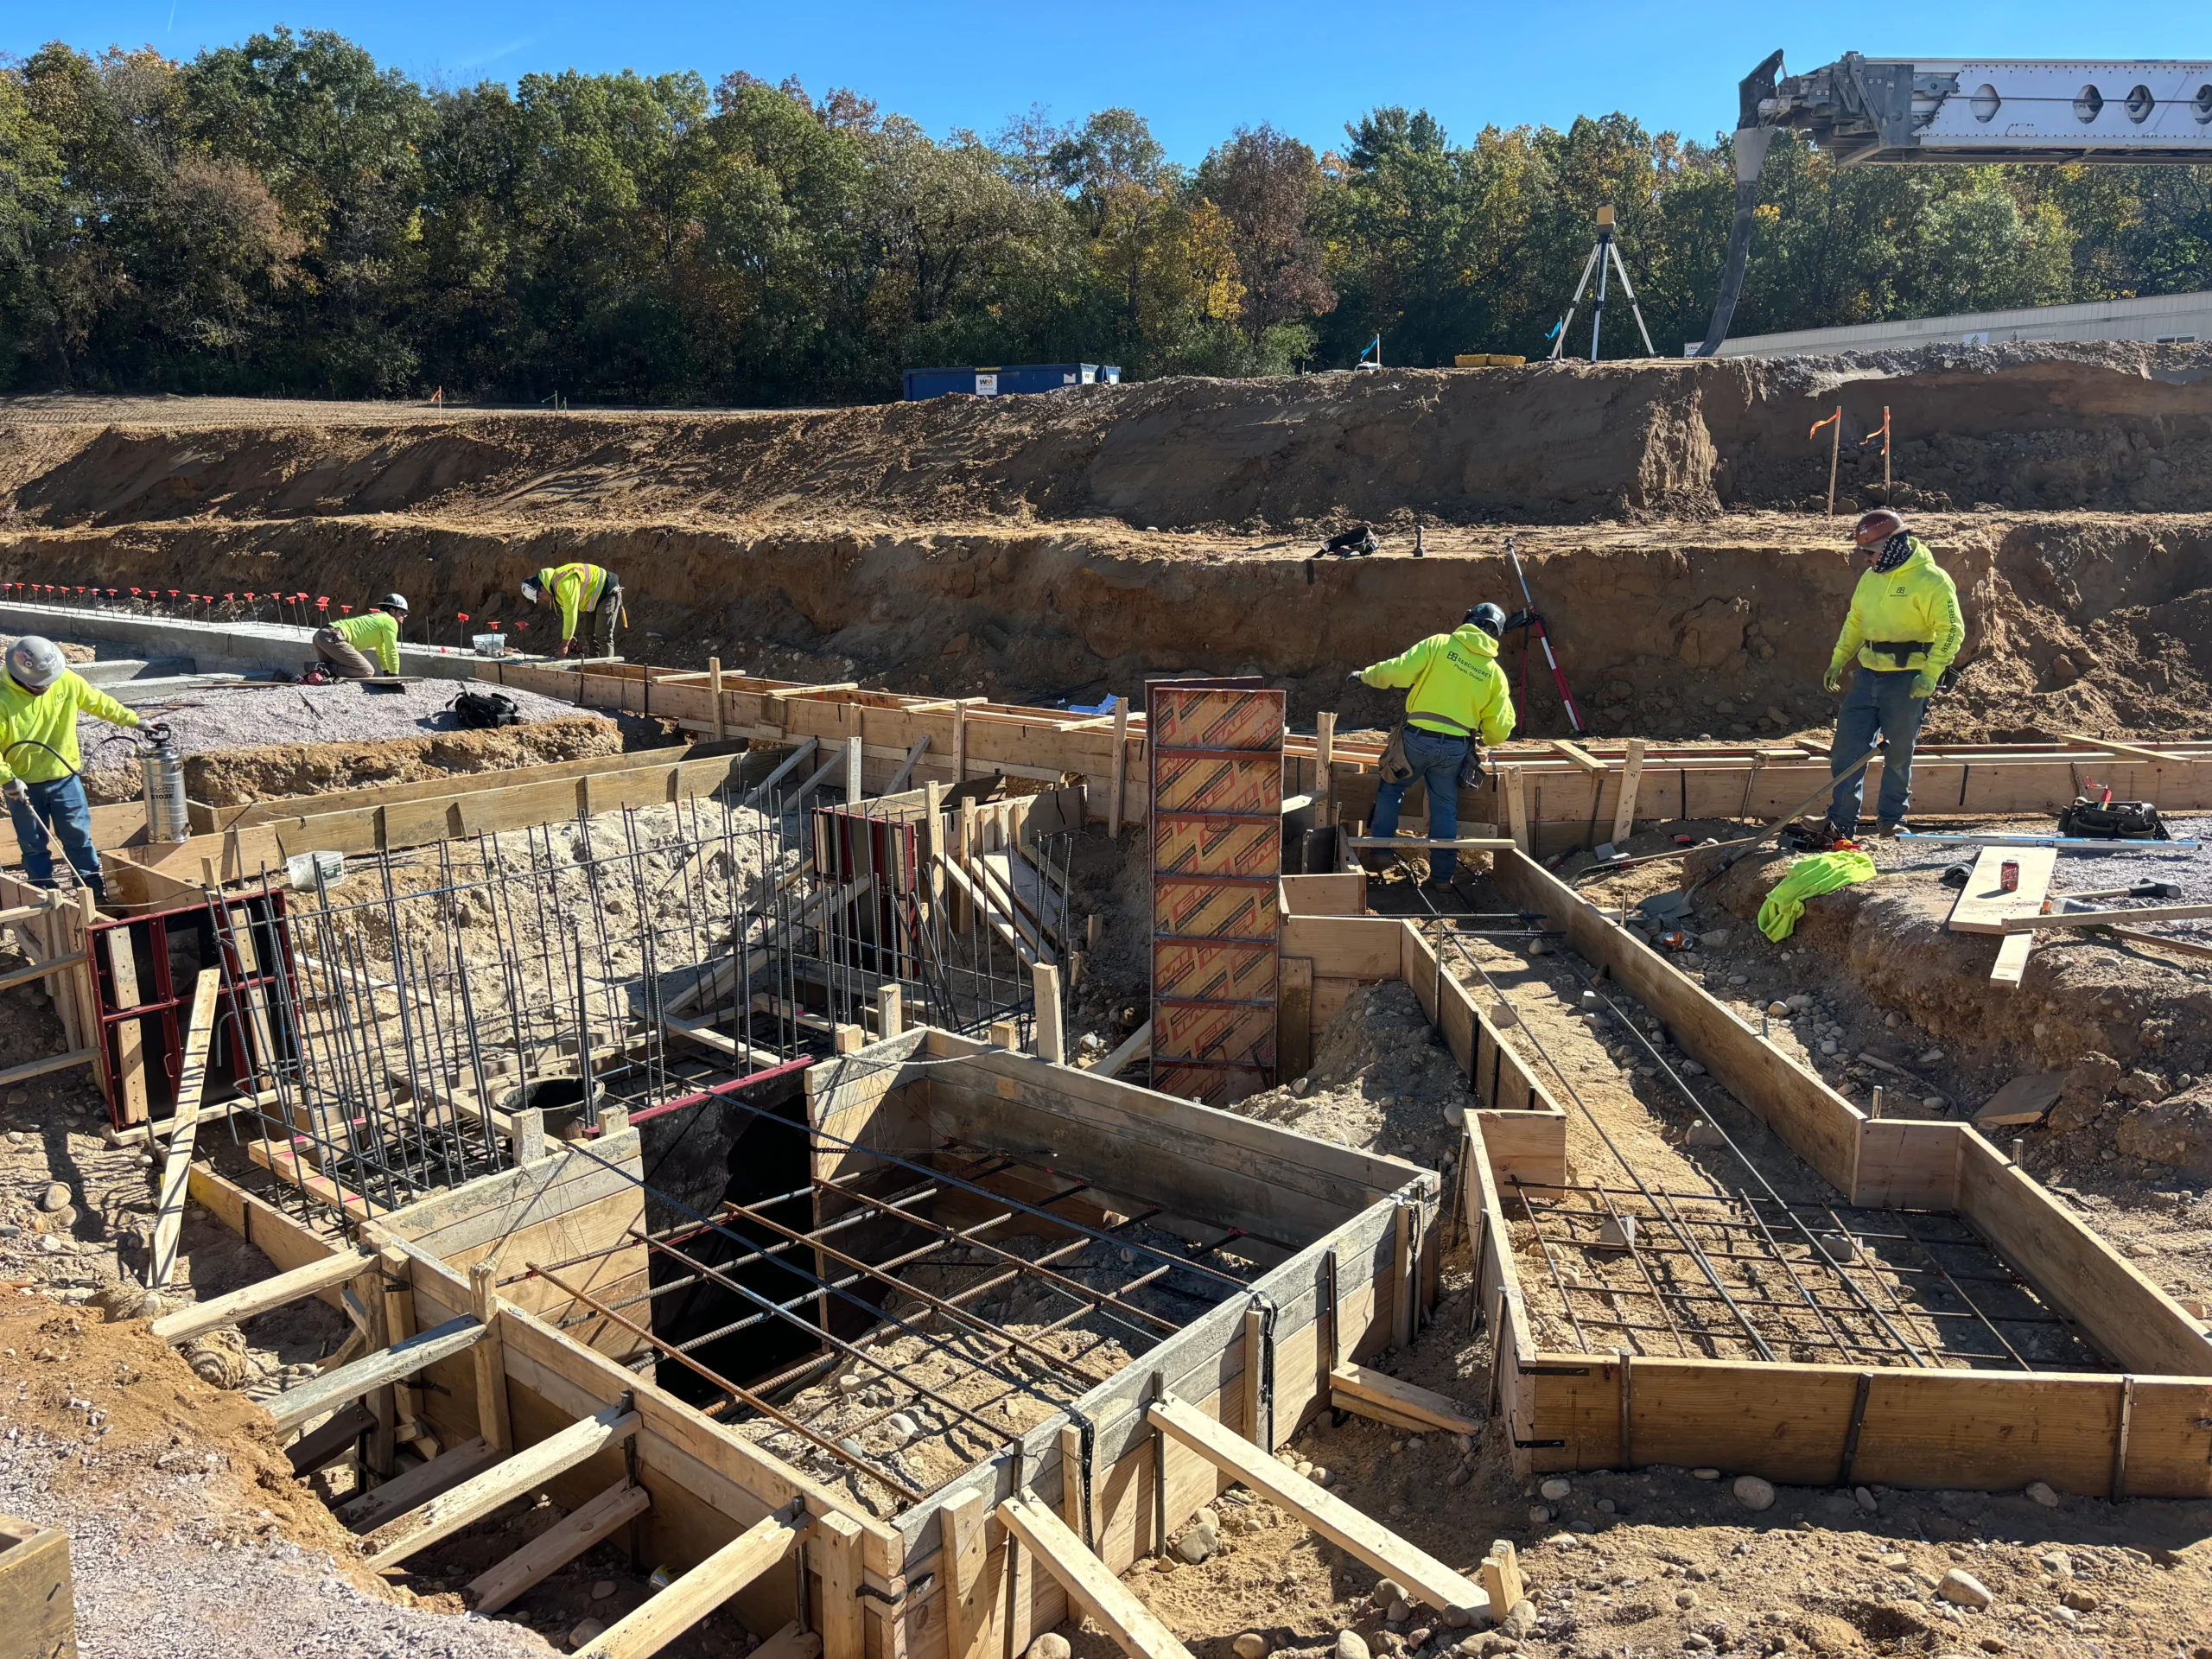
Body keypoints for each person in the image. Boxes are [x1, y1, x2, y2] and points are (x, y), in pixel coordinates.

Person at [1348, 603, 1517, 888]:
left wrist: (1366, 675)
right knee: (1445, 809)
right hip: (1455, 749)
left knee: (1391, 788)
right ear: (1496, 634)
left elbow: (1398, 670)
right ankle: (1441, 878)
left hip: (1416, 739)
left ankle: (1380, 853)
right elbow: (1500, 727)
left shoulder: (1440, 644)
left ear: (1469, 619)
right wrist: (1486, 740)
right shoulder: (1494, 673)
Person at [1822, 509, 1965, 841]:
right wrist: (1839, 658)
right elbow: (1856, 621)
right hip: (1869, 674)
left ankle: (1891, 820)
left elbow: (1950, 630)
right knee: (1847, 750)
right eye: (1863, 553)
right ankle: (1841, 824)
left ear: (1891, 545)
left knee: (1899, 753)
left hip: (1907, 679)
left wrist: (1930, 673)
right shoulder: (1871, 579)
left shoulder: (1932, 580)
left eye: (1869, 552)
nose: (1866, 560)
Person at [1, 635, 141, 906]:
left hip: (65, 779)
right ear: (20, 676)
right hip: (22, 786)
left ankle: (92, 891)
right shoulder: (3, 699)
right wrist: (7, 780)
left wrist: (136, 722)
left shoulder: (65, 680)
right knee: (33, 844)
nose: (46, 687)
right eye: (39, 684)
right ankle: (43, 894)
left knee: (78, 836)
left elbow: (100, 703)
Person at [521, 563, 623, 658]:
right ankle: (593, 667)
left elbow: (571, 614)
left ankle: (609, 670)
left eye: (539, 597)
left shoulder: (562, 585)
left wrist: (564, 644)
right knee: (590, 634)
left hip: (607, 592)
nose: (542, 600)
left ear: (542, 588)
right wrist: (569, 638)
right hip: (593, 596)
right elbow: (567, 612)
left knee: (602, 635)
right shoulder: (554, 587)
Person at [315, 594, 409, 679]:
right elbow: (391, 650)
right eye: (403, 613)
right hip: (334, 638)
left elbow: (382, 652)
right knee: (367, 671)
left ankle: (319, 671)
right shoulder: (390, 621)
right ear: (393, 610)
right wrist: (394, 676)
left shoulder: (379, 620)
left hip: (321, 635)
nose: (405, 616)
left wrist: (387, 672)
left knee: (332, 669)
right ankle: (324, 669)